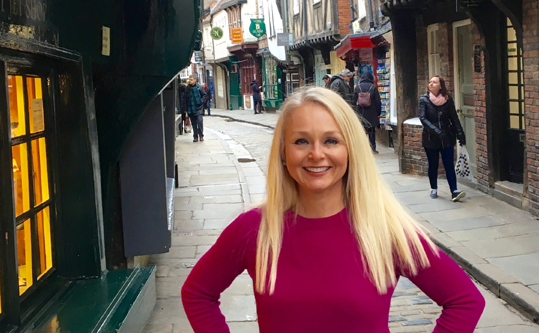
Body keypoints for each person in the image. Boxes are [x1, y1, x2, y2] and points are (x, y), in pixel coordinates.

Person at [181, 87, 485, 332]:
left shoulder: (384, 229)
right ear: (284, 153)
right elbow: (197, 294)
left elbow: (464, 300)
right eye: (301, 141)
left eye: (331, 140)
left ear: (350, 149)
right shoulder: (255, 229)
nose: (316, 154)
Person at [419, 75, 467, 202]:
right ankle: (433, 188)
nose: (431, 84)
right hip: (430, 138)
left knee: (449, 164)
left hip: (446, 136)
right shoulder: (424, 99)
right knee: (433, 164)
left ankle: (454, 191)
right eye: (430, 82)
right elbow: (423, 118)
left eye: (434, 82)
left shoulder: (447, 99)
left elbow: (454, 118)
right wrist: (436, 131)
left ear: (441, 85)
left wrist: (460, 133)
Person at [353, 71, 382, 153]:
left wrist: (355, 112)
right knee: (372, 131)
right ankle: (372, 148)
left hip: (361, 112)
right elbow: (377, 101)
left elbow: (353, 100)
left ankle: (362, 150)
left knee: (362, 131)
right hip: (371, 113)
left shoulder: (358, 87)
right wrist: (378, 113)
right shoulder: (373, 87)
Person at [182, 74, 208, 142]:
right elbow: (185, 98)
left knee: (199, 121)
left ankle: (201, 135)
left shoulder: (200, 87)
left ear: (195, 80)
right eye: (189, 79)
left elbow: (205, 95)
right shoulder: (187, 88)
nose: (190, 81)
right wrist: (185, 108)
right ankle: (195, 136)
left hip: (199, 108)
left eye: (191, 79)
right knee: (193, 123)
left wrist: (201, 101)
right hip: (191, 108)